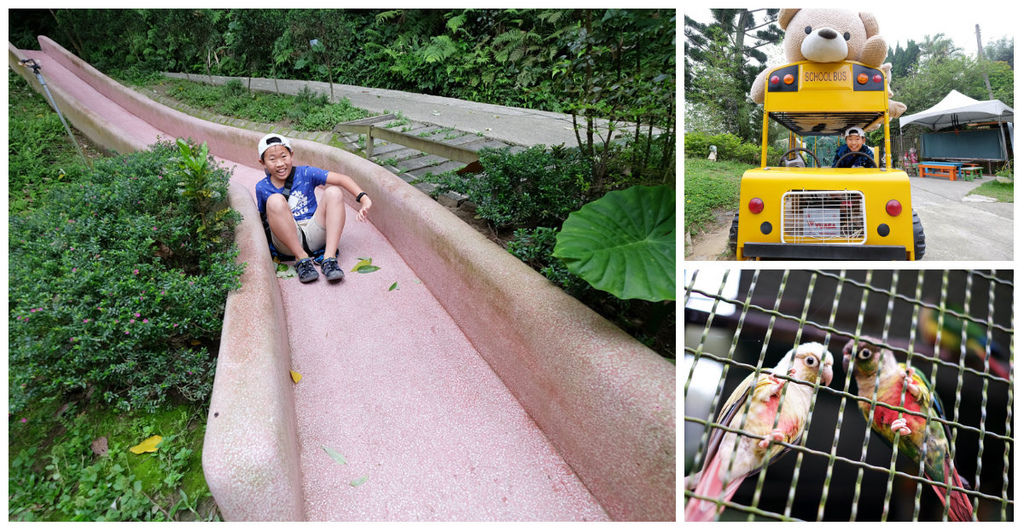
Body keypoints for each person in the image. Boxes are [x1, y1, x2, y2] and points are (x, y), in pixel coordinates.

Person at [254, 133, 372, 283]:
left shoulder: (305, 173)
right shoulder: (262, 187)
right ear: (262, 162)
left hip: (314, 231)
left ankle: (329, 259)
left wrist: (364, 199)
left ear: (292, 155)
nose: (280, 164)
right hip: (287, 242)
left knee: (334, 192)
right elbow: (264, 218)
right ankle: (301, 259)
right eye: (272, 159)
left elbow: (342, 179)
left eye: (284, 156)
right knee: (275, 200)